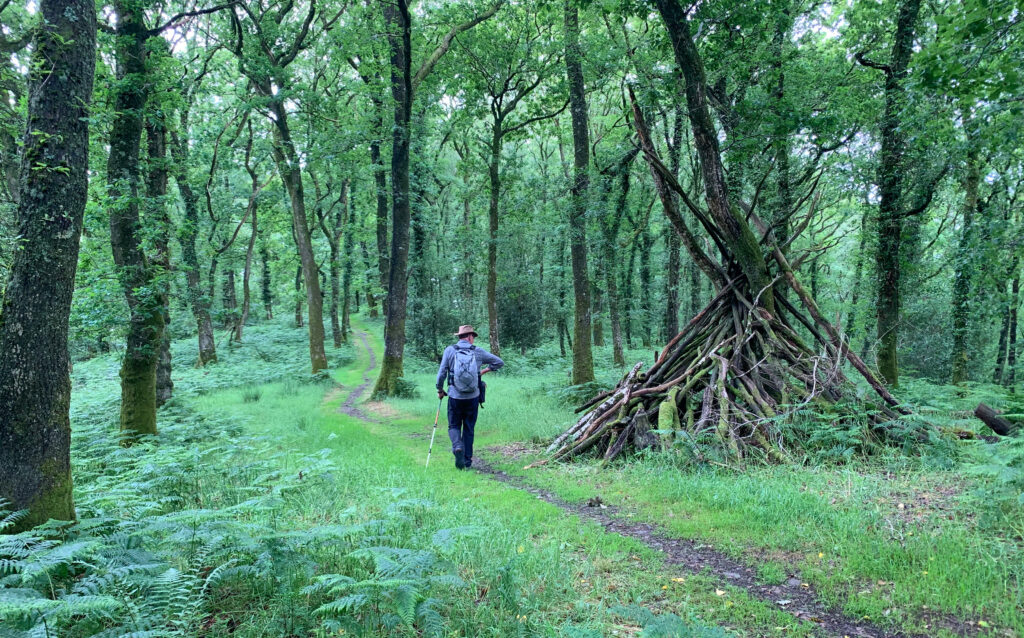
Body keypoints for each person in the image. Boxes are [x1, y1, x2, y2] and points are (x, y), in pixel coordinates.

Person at [436, 325, 504, 469]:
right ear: (470, 336)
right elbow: (499, 362)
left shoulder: (450, 350)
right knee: (469, 428)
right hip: (472, 397)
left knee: (454, 425)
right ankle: (467, 462)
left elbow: (442, 373)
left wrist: (440, 389)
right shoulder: (477, 351)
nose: (473, 339)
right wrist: (484, 371)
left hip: (454, 396)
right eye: (473, 337)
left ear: (460, 336)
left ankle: (457, 446)